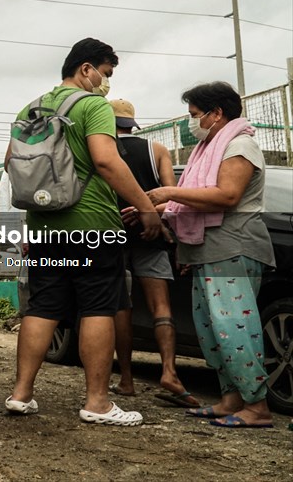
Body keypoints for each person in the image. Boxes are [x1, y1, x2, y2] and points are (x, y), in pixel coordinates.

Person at [5, 38, 163, 427]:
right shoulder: (92, 106)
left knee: (43, 305)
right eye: (105, 73)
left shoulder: (31, 108)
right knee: (98, 306)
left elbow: (10, 162)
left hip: (43, 227)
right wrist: (146, 208)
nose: (106, 83)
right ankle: (98, 403)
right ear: (86, 69)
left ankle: (21, 394)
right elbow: (106, 162)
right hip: (91, 225)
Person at [146, 82, 275, 429]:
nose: (192, 122)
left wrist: (170, 192)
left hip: (233, 246)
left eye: (195, 114)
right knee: (211, 329)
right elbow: (199, 200)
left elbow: (227, 195)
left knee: (234, 328)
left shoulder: (239, 145)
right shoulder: (209, 149)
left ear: (216, 113)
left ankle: (257, 406)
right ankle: (231, 398)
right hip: (208, 250)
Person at [108, 99, 198, 408]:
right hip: (152, 233)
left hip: (113, 234)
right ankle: (170, 372)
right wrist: (152, 216)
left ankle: (126, 380)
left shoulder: (101, 150)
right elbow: (172, 199)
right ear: (131, 123)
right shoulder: (157, 150)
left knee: (121, 306)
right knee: (161, 306)